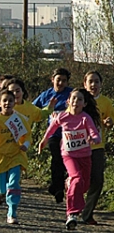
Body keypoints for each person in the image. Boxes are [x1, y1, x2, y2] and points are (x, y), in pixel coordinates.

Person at [39, 88, 101, 230]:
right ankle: (71, 214)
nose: (76, 102)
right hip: (69, 155)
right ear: (68, 101)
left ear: (84, 104)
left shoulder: (86, 118)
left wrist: (94, 138)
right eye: (73, 99)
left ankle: (70, 182)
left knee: (84, 186)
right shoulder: (62, 116)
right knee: (77, 178)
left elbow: (94, 133)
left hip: (85, 156)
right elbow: (51, 128)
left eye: (79, 99)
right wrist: (43, 141)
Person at [0, 89, 32, 225]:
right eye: (5, 101)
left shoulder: (18, 119)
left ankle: (12, 212)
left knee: (14, 183)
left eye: (10, 100)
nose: (7, 103)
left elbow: (27, 135)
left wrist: (25, 144)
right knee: (2, 189)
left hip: (15, 156)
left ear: (15, 103)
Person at [33, 68, 73, 203]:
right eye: (58, 80)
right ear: (52, 80)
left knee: (66, 160)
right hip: (53, 134)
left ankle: (59, 186)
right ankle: (58, 188)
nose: (61, 83)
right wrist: (48, 110)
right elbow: (33, 109)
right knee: (56, 158)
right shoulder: (46, 95)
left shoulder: (71, 94)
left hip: (70, 134)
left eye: (64, 81)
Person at [82, 71, 113, 225]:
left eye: (96, 82)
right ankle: (75, 203)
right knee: (80, 180)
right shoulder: (78, 99)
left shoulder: (106, 102)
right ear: (84, 84)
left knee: (98, 180)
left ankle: (87, 213)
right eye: (90, 82)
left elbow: (110, 120)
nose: (93, 85)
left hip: (97, 146)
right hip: (78, 148)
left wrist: (109, 122)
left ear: (101, 84)